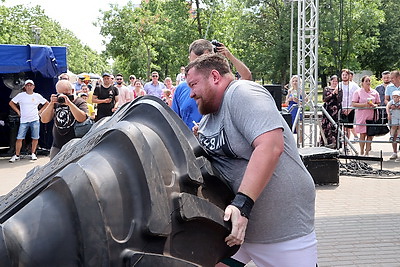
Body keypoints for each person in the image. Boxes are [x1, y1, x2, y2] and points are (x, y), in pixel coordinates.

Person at [187, 54, 317, 266]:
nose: (191, 93)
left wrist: (242, 205)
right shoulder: (208, 116)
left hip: (280, 229)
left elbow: (271, 146)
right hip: (238, 229)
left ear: (214, 76)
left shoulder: (242, 93)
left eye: (194, 84)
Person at [172, 39, 252, 130]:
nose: (197, 67)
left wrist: (229, 56)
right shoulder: (181, 89)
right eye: (194, 63)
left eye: (202, 62)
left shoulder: (223, 86)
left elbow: (247, 77)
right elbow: (174, 123)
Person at [40, 80, 88, 159]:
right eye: (61, 94)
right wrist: (51, 103)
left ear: (72, 91)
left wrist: (69, 103)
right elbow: (44, 120)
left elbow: (82, 118)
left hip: (75, 144)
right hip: (57, 144)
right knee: (53, 169)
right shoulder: (56, 102)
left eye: (66, 94)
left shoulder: (79, 102)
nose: (63, 97)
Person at [8, 80, 49, 162]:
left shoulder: (37, 96)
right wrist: (18, 111)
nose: (29, 87)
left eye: (30, 85)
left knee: (35, 137)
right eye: (27, 85)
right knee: (19, 138)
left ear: (33, 87)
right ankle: (17, 155)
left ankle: (33, 153)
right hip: (24, 120)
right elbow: (11, 103)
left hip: (35, 119)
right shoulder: (21, 95)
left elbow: (47, 103)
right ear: (25, 87)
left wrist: (40, 112)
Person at [352, 75, 380, 156]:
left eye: (369, 81)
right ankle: (361, 151)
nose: (368, 83)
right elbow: (354, 103)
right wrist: (364, 105)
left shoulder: (375, 92)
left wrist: (375, 105)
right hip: (362, 116)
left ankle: (367, 152)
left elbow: (378, 103)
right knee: (362, 134)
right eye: (366, 81)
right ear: (362, 83)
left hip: (371, 116)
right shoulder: (358, 92)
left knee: (370, 134)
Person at [321, 75, 342, 148]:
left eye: (336, 81)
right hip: (328, 110)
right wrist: (333, 93)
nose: (335, 83)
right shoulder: (326, 89)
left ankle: (335, 144)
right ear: (330, 81)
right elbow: (324, 99)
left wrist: (337, 93)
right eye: (333, 81)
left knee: (335, 127)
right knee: (326, 127)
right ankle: (325, 143)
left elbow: (340, 100)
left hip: (336, 111)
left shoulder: (339, 90)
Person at [339, 69, 360, 143]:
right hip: (341, 109)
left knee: (348, 128)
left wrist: (350, 109)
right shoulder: (339, 85)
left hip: (350, 109)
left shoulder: (354, 85)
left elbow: (358, 97)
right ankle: (341, 144)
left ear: (349, 76)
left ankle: (346, 144)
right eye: (343, 75)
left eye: (346, 75)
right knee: (341, 128)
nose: (344, 76)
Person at [385, 70, 400, 160]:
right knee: (393, 131)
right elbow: (386, 99)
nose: (391, 80)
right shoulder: (389, 87)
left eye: (392, 78)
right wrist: (391, 105)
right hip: (393, 113)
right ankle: (394, 152)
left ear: (398, 77)